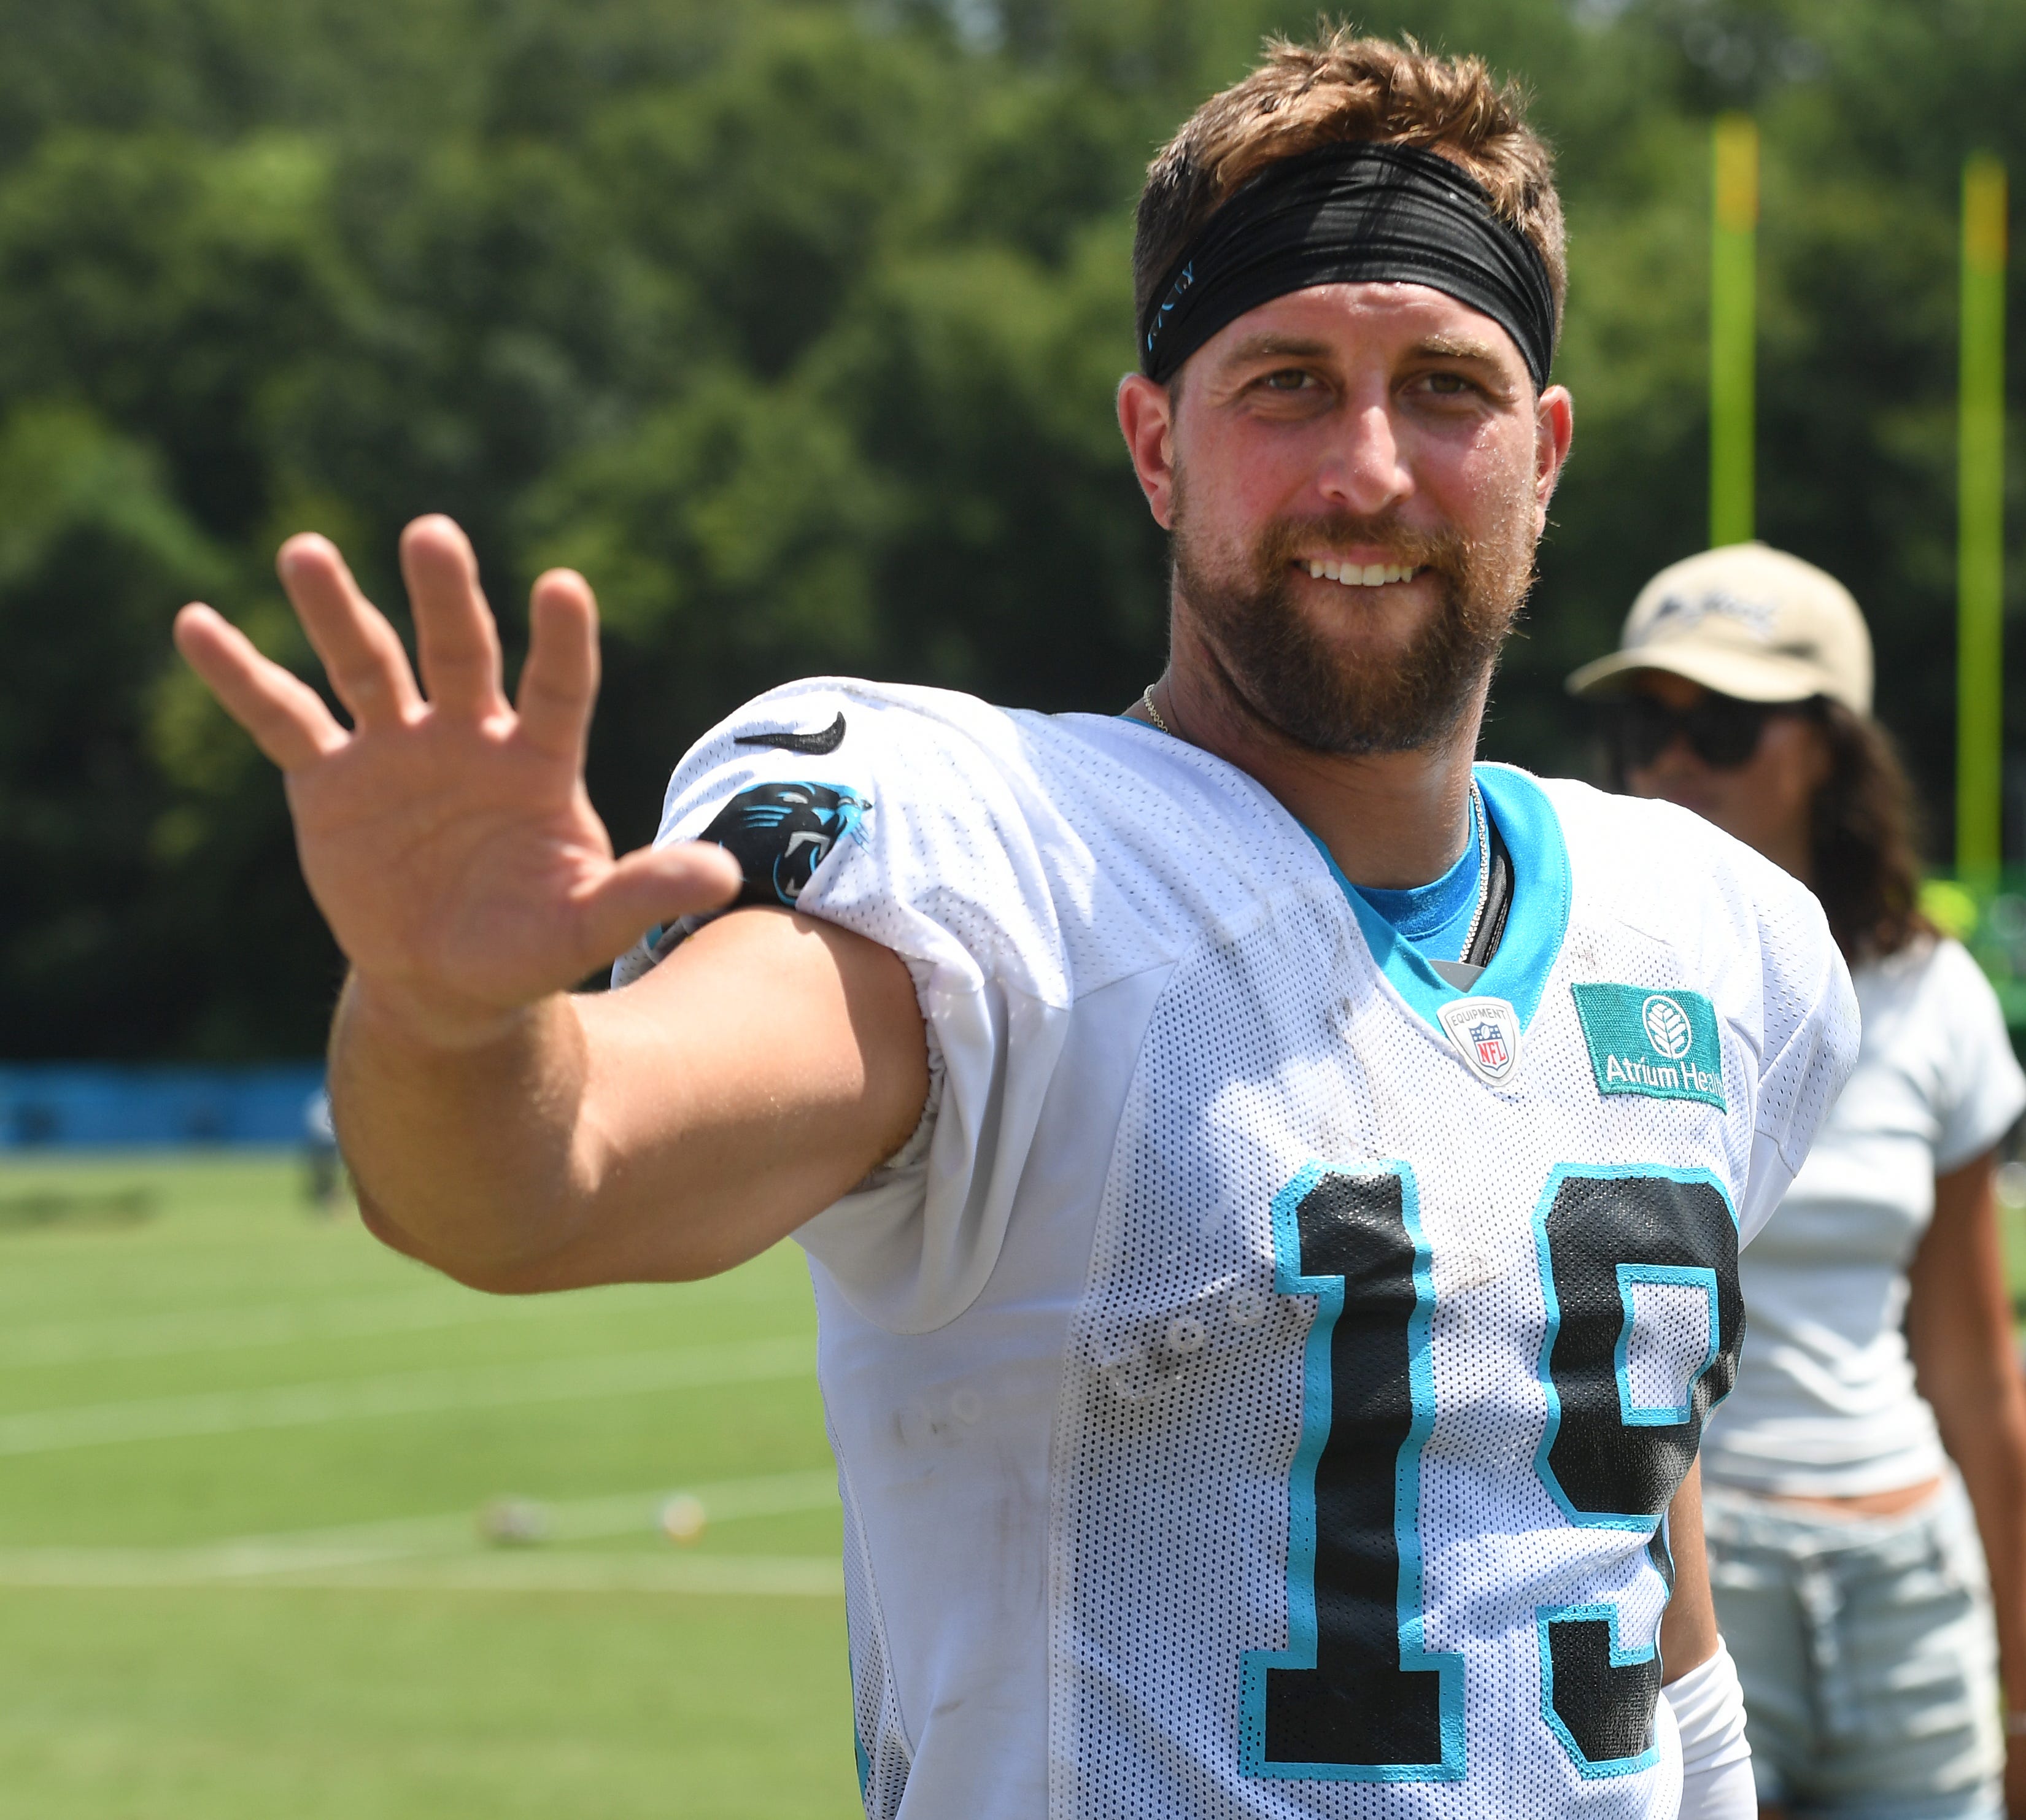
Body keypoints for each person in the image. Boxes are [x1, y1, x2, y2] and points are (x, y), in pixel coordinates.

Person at [172, 31, 1857, 1820]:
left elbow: (1616, 1511)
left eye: (1444, 386)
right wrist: (445, 1017)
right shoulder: (1008, 866)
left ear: (1542, 454)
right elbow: (543, 1177)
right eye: (1282, 384)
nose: (1366, 467)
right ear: (1153, 445)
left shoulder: (1717, 942)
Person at [1569, 542, 2026, 1819]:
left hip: (1907, 1572)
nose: (1668, 761)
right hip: (1688, 1572)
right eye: (1641, 723)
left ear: (1827, 744)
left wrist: (2024, 1679)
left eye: (1719, 724)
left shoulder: (1931, 993)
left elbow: (1976, 1364)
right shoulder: (1577, 978)